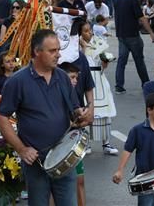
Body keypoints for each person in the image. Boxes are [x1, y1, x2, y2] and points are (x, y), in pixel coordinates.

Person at [0, 29, 90, 205]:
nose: (58, 55)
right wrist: (22, 149)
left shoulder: (62, 76)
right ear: (37, 52)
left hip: (64, 157)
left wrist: (81, 114)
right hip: (36, 161)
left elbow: (74, 108)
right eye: (52, 51)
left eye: (58, 50)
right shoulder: (18, 81)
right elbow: (2, 118)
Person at [112, 92, 154, 206]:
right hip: (145, 180)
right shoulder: (137, 130)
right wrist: (120, 170)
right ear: (149, 110)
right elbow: (127, 150)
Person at [78, 21, 118, 155]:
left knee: (104, 111)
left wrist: (105, 62)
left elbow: (102, 67)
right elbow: (79, 63)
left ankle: (106, 143)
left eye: (90, 30)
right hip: (86, 80)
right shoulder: (77, 46)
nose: (89, 33)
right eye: (85, 31)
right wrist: (83, 48)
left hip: (99, 79)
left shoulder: (98, 43)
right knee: (88, 110)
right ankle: (86, 143)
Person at [114, 0, 154, 94]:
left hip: (121, 34)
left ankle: (119, 85)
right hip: (132, 34)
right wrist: (151, 33)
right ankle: (146, 83)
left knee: (121, 61)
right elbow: (142, 18)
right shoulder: (133, 0)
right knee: (139, 60)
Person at [58, 62, 87, 206]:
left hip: (73, 143)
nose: (75, 81)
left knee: (80, 180)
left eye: (76, 78)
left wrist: (82, 117)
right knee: (56, 187)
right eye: (72, 77)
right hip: (59, 146)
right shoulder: (56, 93)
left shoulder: (75, 93)